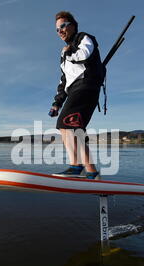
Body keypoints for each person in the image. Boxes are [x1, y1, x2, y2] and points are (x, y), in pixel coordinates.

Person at [49, 11, 105, 180]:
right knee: (74, 129)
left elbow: (84, 54)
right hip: (74, 90)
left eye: (63, 26)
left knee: (66, 125)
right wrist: (57, 103)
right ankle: (92, 172)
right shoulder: (64, 55)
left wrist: (67, 53)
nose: (60, 31)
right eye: (57, 29)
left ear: (73, 25)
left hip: (86, 86)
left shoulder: (84, 38)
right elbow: (63, 81)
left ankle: (76, 166)